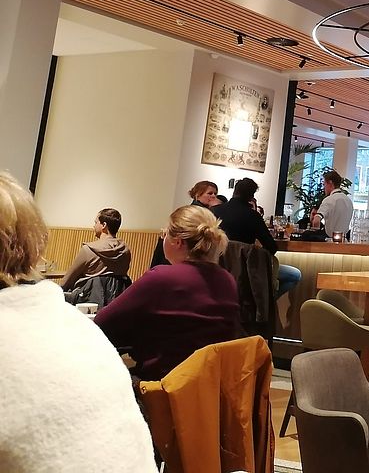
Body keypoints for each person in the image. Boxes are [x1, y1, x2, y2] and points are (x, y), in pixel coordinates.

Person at [0, 172, 157, 473]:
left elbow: (70, 279)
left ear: (102, 225)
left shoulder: (88, 249)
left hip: (86, 296)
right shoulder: (86, 333)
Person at [95, 205, 241, 381]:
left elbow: (101, 324)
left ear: (178, 241)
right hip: (210, 387)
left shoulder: (162, 277)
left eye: (165, 233)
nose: (162, 238)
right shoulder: (227, 280)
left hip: (164, 388)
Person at [213, 178, 300, 298]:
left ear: (235, 191)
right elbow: (271, 247)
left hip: (217, 266)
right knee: (294, 275)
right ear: (251, 196)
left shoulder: (214, 211)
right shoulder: (253, 216)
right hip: (245, 271)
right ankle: (265, 303)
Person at [150, 180, 220, 268]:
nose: (213, 196)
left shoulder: (193, 211)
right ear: (198, 195)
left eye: (215, 194)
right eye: (209, 193)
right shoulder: (196, 213)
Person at [60, 207, 132, 291]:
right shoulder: (125, 252)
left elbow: (66, 282)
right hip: (118, 298)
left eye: (96, 222)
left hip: (88, 297)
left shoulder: (88, 250)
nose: (93, 226)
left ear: (104, 225)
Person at [318, 169, 353, 239]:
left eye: (324, 184)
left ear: (330, 183)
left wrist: (314, 233)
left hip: (330, 240)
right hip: (344, 240)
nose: (324, 188)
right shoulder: (348, 200)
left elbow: (317, 219)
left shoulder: (329, 200)